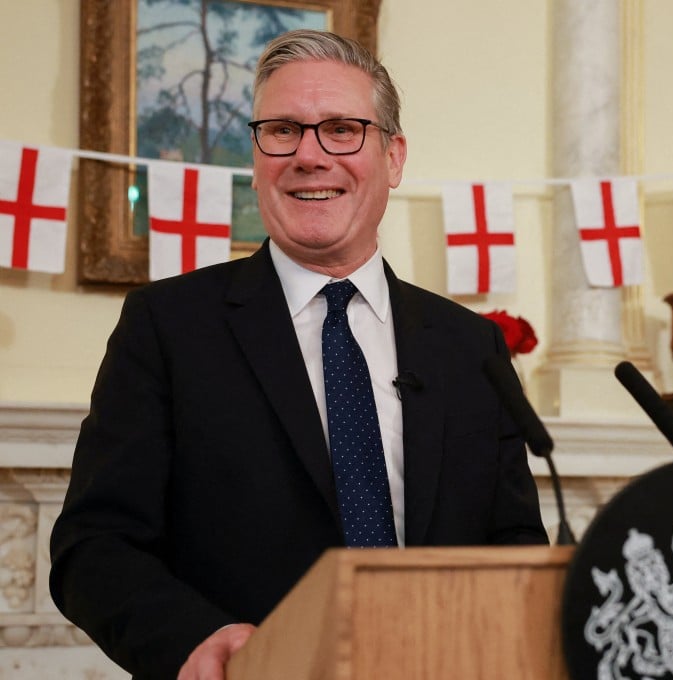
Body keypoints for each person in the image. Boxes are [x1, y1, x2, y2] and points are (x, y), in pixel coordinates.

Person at [49, 29, 548, 680]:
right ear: (255, 158)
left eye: (342, 129)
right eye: (282, 130)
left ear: (393, 157)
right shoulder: (167, 326)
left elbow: (513, 544)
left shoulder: (469, 344)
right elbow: (94, 546)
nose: (310, 156)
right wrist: (195, 641)